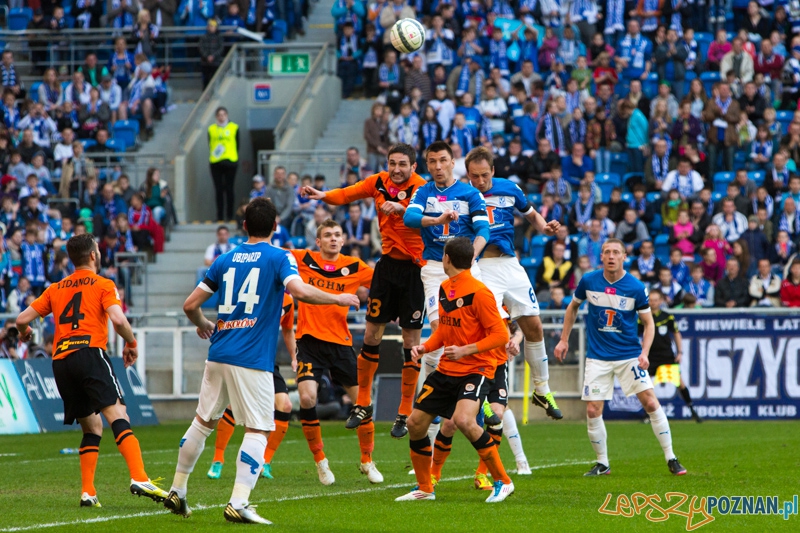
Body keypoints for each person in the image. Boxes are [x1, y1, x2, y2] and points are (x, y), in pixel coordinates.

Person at [163, 198, 359, 524]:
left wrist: (204, 325)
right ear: (276, 226)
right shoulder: (279, 257)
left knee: (202, 422)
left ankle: (178, 490)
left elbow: (189, 305)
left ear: (243, 227)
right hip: (252, 359)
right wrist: (338, 297)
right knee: (258, 429)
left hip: (219, 353)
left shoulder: (225, 258)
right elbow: (300, 291)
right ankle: (239, 502)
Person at [15, 234, 169, 508]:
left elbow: (21, 319)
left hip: (61, 361)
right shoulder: (103, 284)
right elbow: (118, 319)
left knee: (92, 426)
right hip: (90, 353)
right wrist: (131, 343)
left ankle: (88, 491)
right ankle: (140, 477)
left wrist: (25, 332)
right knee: (118, 414)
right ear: (94, 256)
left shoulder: (56, 288)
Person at [301, 143, 426, 438]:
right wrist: (323, 195)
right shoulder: (378, 181)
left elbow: (431, 216)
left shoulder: (422, 188)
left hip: (415, 271)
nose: (396, 169)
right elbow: (349, 193)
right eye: (392, 163)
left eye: (402, 164)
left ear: (413, 167)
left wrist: (404, 208)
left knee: (411, 343)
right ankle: (362, 403)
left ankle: (404, 411)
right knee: (371, 336)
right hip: (386, 268)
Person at [555, 238, 687, 477]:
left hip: (628, 355)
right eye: (607, 252)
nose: (611, 256)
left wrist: (644, 353)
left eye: (616, 252)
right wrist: (564, 339)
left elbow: (648, 324)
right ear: (602, 257)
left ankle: (671, 457)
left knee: (650, 402)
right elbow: (572, 307)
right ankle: (602, 463)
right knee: (594, 410)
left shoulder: (635, 287)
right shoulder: (589, 281)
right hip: (597, 356)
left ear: (624, 256)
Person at [396, 237, 513, 503]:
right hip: (447, 369)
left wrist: (466, 350)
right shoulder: (444, 287)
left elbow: (501, 336)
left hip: (476, 368)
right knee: (415, 424)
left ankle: (503, 481)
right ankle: (425, 488)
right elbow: (446, 331)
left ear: (446, 258)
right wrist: (425, 347)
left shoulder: (480, 292)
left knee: (463, 421)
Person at [466, 148, 562, 440]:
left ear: (493, 171)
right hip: (480, 266)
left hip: (509, 264)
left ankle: (542, 389)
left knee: (533, 324)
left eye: (484, 175)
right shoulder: (459, 194)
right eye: (474, 176)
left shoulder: (510, 189)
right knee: (487, 330)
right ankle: (479, 396)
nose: (480, 181)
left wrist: (545, 227)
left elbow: (531, 215)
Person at [403, 141, 490, 441]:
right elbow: (409, 218)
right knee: (441, 330)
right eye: (432, 162)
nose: (437, 167)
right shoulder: (424, 192)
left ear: (453, 163)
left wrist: (473, 256)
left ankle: (481, 396)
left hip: (466, 267)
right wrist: (437, 219)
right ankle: (432, 403)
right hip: (434, 268)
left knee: (477, 330)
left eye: (442, 160)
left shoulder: (469, 193)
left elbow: (483, 231)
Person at [288, 219, 380, 486]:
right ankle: (320, 462)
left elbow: (382, 282)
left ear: (343, 240)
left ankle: (367, 460)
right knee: (307, 399)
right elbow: (276, 253)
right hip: (308, 342)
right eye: (327, 235)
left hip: (340, 343)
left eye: (337, 235)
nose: (332, 238)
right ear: (318, 241)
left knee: (363, 402)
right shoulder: (303, 258)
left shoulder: (355, 266)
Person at [206, 292, 297, 481]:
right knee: (231, 405)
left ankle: (265, 462)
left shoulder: (288, 301)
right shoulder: (256, 291)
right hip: (243, 357)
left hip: (266, 361)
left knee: (285, 405)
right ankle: (218, 459)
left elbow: (288, 330)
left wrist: (295, 357)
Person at [641, 289, 701, 422]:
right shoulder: (643, 318)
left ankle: (692, 410)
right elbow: (636, 336)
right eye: (651, 300)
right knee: (646, 385)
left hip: (666, 355)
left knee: (680, 383)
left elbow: (676, 334)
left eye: (656, 300)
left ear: (661, 301)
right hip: (650, 356)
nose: (653, 303)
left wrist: (680, 352)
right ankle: (648, 414)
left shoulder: (667, 316)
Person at [208, 107, 239, 221]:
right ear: (216, 116)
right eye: (219, 115)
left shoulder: (234, 127)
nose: (221, 117)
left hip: (230, 161)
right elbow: (210, 144)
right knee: (218, 190)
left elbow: (237, 144)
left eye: (223, 114)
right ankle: (220, 215)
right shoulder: (211, 129)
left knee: (229, 189)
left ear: (227, 115)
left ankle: (230, 215)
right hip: (215, 162)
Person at [199, 19, 225, 89]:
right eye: (210, 26)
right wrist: (207, 56)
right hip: (205, 62)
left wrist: (213, 56)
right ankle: (205, 94)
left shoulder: (219, 37)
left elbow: (221, 48)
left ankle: (215, 92)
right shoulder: (204, 37)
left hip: (216, 62)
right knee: (206, 79)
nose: (212, 28)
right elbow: (201, 48)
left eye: (213, 26)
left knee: (215, 78)